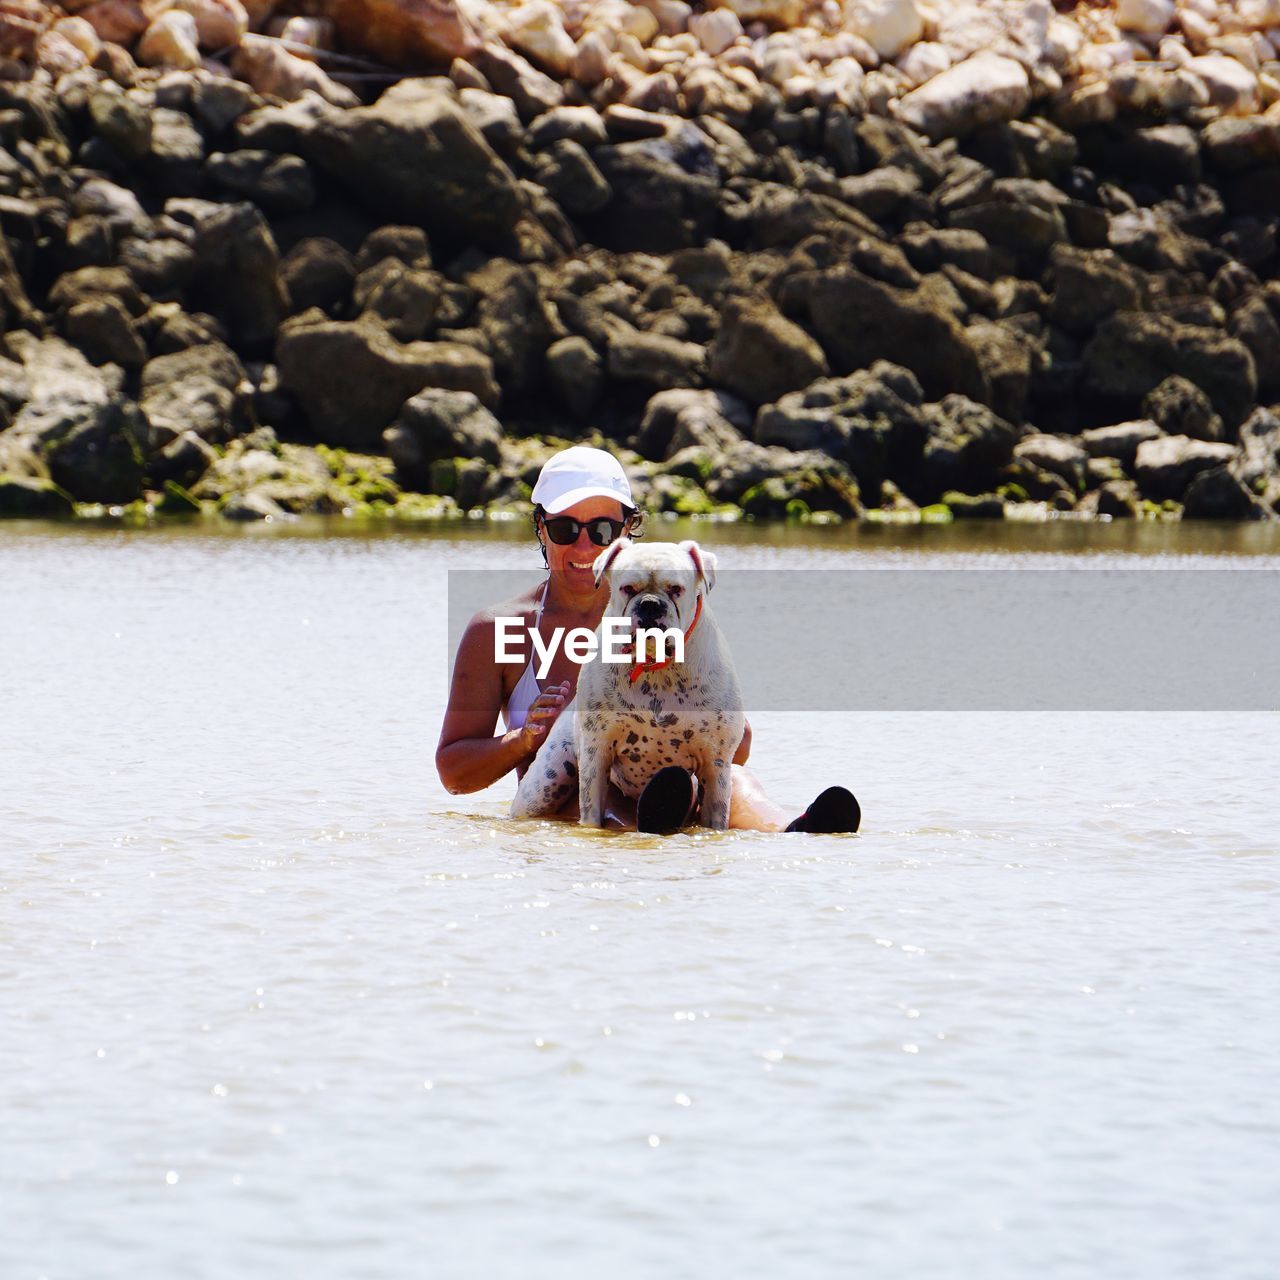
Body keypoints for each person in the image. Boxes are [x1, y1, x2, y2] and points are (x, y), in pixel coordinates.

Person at [436, 446, 860, 834]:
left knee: (737, 782)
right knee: (585, 796)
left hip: (683, 782)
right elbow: (454, 774)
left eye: (602, 530)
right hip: (576, 799)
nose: (585, 546)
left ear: (628, 529)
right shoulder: (500, 629)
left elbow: (735, 750)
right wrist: (525, 739)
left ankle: (796, 832)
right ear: (541, 529)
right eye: (566, 528)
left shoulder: (679, 612)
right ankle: (651, 829)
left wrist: (724, 725)